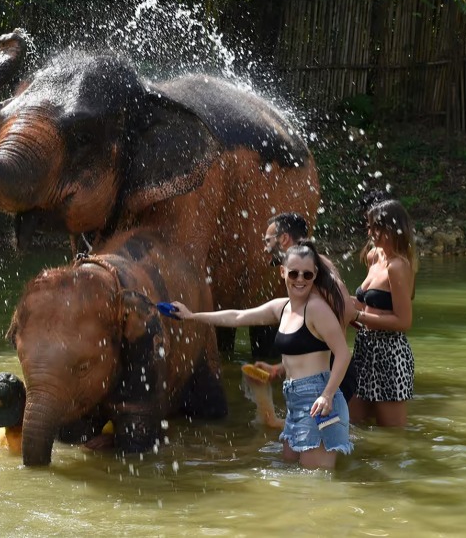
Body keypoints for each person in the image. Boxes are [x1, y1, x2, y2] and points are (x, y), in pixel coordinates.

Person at [172, 242, 353, 470]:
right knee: (291, 474)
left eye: (307, 274)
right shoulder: (282, 307)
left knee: (314, 485)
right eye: (294, 273)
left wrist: (327, 396)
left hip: (319, 400)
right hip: (296, 402)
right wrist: (191, 315)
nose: (300, 279)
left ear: (315, 275)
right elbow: (238, 317)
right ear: (282, 272)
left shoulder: (317, 309)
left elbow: (343, 354)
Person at [261, 213, 358, 401]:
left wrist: (329, 353)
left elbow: (346, 309)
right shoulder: (300, 270)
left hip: (331, 371)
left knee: (335, 428)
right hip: (321, 371)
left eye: (268, 241)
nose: (266, 249)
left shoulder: (317, 264)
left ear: (283, 238)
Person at [349, 199, 417, 427]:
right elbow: (364, 303)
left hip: (390, 355)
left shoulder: (398, 267)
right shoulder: (374, 257)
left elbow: (403, 321)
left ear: (391, 229)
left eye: (375, 227)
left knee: (392, 437)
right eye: (369, 226)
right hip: (364, 349)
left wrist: (358, 317)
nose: (370, 232)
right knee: (352, 425)